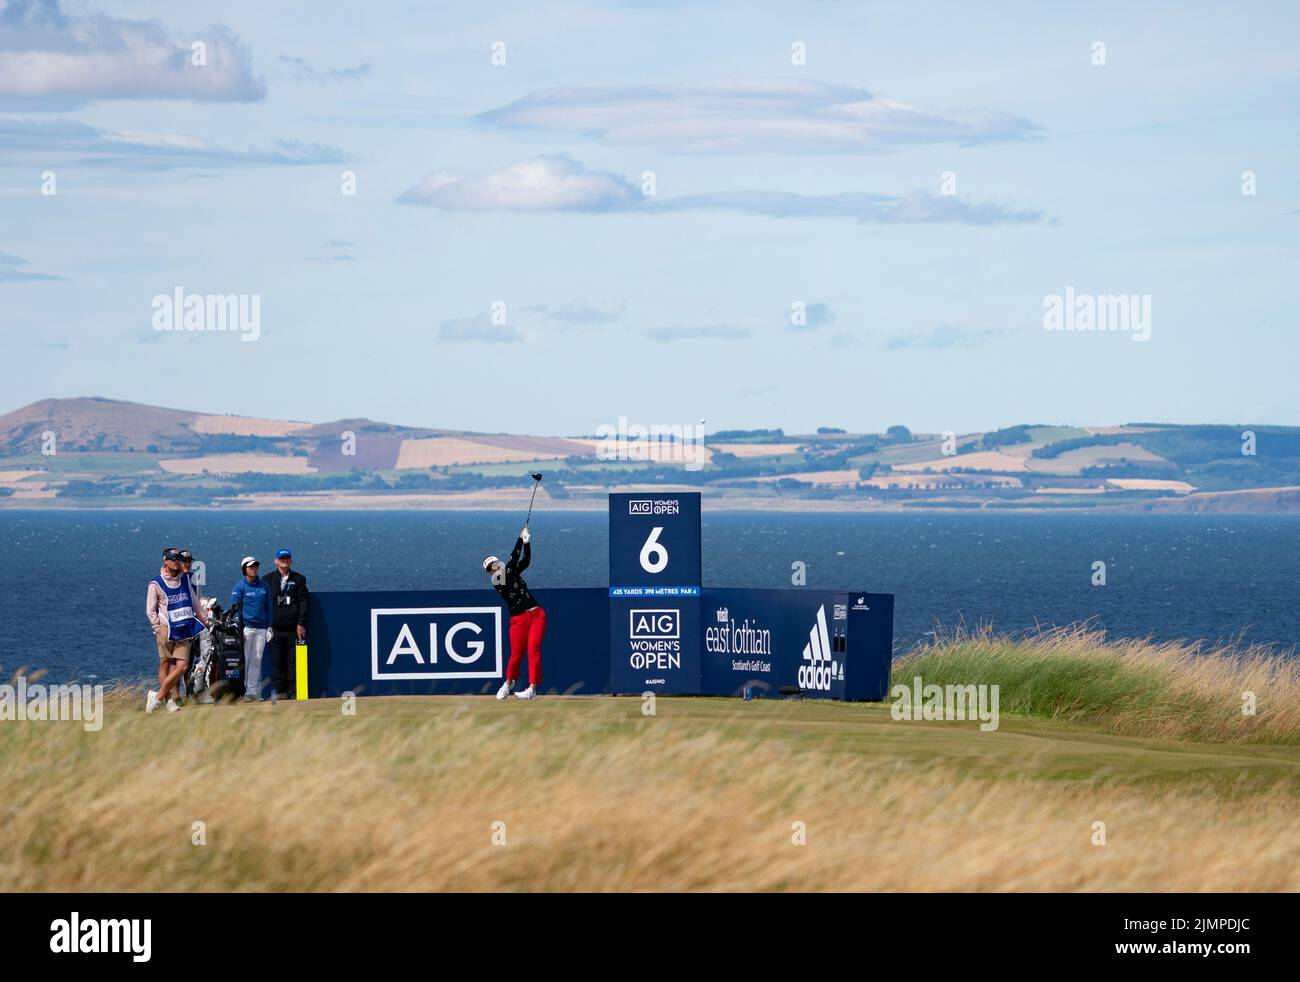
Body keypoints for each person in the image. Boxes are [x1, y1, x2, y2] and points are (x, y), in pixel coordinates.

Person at [483, 526, 545, 701]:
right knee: (516, 655)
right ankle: (508, 683)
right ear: (489, 572)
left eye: (495, 564)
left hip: (536, 615)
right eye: (491, 567)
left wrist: (527, 543)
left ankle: (532, 690)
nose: (494, 568)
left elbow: (525, 560)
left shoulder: (511, 572)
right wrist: (519, 539)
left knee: (533, 651)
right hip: (518, 620)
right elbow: (511, 563)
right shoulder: (497, 581)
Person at [145, 547, 207, 714]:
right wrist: (158, 628)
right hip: (166, 629)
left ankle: (157, 697)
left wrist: (205, 620)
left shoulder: (186, 580)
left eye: (178, 559)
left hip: (184, 628)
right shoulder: (156, 583)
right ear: (165, 561)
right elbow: (150, 610)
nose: (176, 562)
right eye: (173, 559)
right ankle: (168, 701)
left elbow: (195, 603)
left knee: (182, 666)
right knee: (165, 662)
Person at [263, 548, 308, 699]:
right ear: (276, 561)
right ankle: (279, 696)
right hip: (274, 630)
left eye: (287, 558)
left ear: (291, 560)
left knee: (292, 664)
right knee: (277, 664)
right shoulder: (267, 580)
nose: (285, 560)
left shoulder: (299, 579)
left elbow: (303, 602)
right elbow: (264, 604)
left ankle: (294, 694)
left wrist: (301, 623)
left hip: (293, 630)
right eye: (282, 558)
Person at [231, 557, 272, 701]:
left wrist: (269, 627)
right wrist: (238, 629)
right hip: (246, 629)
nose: (254, 569)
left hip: (261, 629)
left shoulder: (264, 586)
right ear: (244, 570)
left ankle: (252, 692)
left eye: (255, 566)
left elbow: (268, 608)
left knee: (256, 660)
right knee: (245, 661)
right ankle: (241, 692)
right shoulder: (239, 587)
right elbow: (235, 610)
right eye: (250, 567)